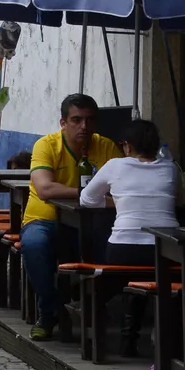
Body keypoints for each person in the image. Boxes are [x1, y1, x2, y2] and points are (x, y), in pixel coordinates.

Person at [21, 92, 118, 341]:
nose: (84, 126)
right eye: (76, 120)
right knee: (34, 245)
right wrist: (88, 194)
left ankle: (93, 302)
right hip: (46, 219)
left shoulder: (106, 147)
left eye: (90, 120)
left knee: (120, 250)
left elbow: (122, 189)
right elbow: (45, 188)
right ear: (63, 123)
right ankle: (49, 311)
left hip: (93, 223)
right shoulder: (46, 145)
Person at [79, 119, 178, 261]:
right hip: (167, 248)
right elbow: (179, 200)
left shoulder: (114, 165)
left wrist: (119, 202)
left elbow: (86, 199)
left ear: (127, 146)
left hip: (124, 246)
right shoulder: (171, 168)